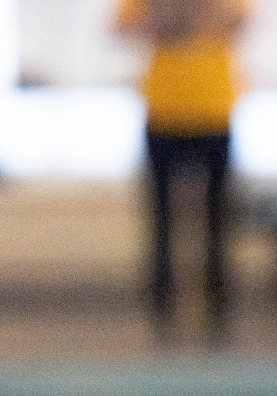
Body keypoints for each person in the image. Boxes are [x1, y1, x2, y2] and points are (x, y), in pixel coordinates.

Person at [113, 0, 248, 342]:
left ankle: (219, 310)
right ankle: (162, 310)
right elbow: (122, 27)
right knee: (161, 220)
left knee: (217, 219)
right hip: (162, 110)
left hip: (214, 109)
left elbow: (239, 21)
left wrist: (190, 15)